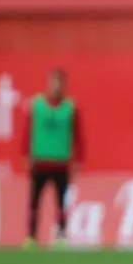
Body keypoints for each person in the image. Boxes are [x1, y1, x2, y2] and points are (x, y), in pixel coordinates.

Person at [22, 67, 84, 249]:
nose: (56, 86)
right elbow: (28, 131)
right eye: (53, 82)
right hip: (40, 161)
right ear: (48, 83)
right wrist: (25, 154)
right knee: (34, 202)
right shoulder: (37, 105)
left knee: (61, 203)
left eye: (59, 82)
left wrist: (78, 159)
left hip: (61, 163)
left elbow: (78, 136)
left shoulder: (70, 108)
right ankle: (31, 237)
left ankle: (61, 236)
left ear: (64, 85)